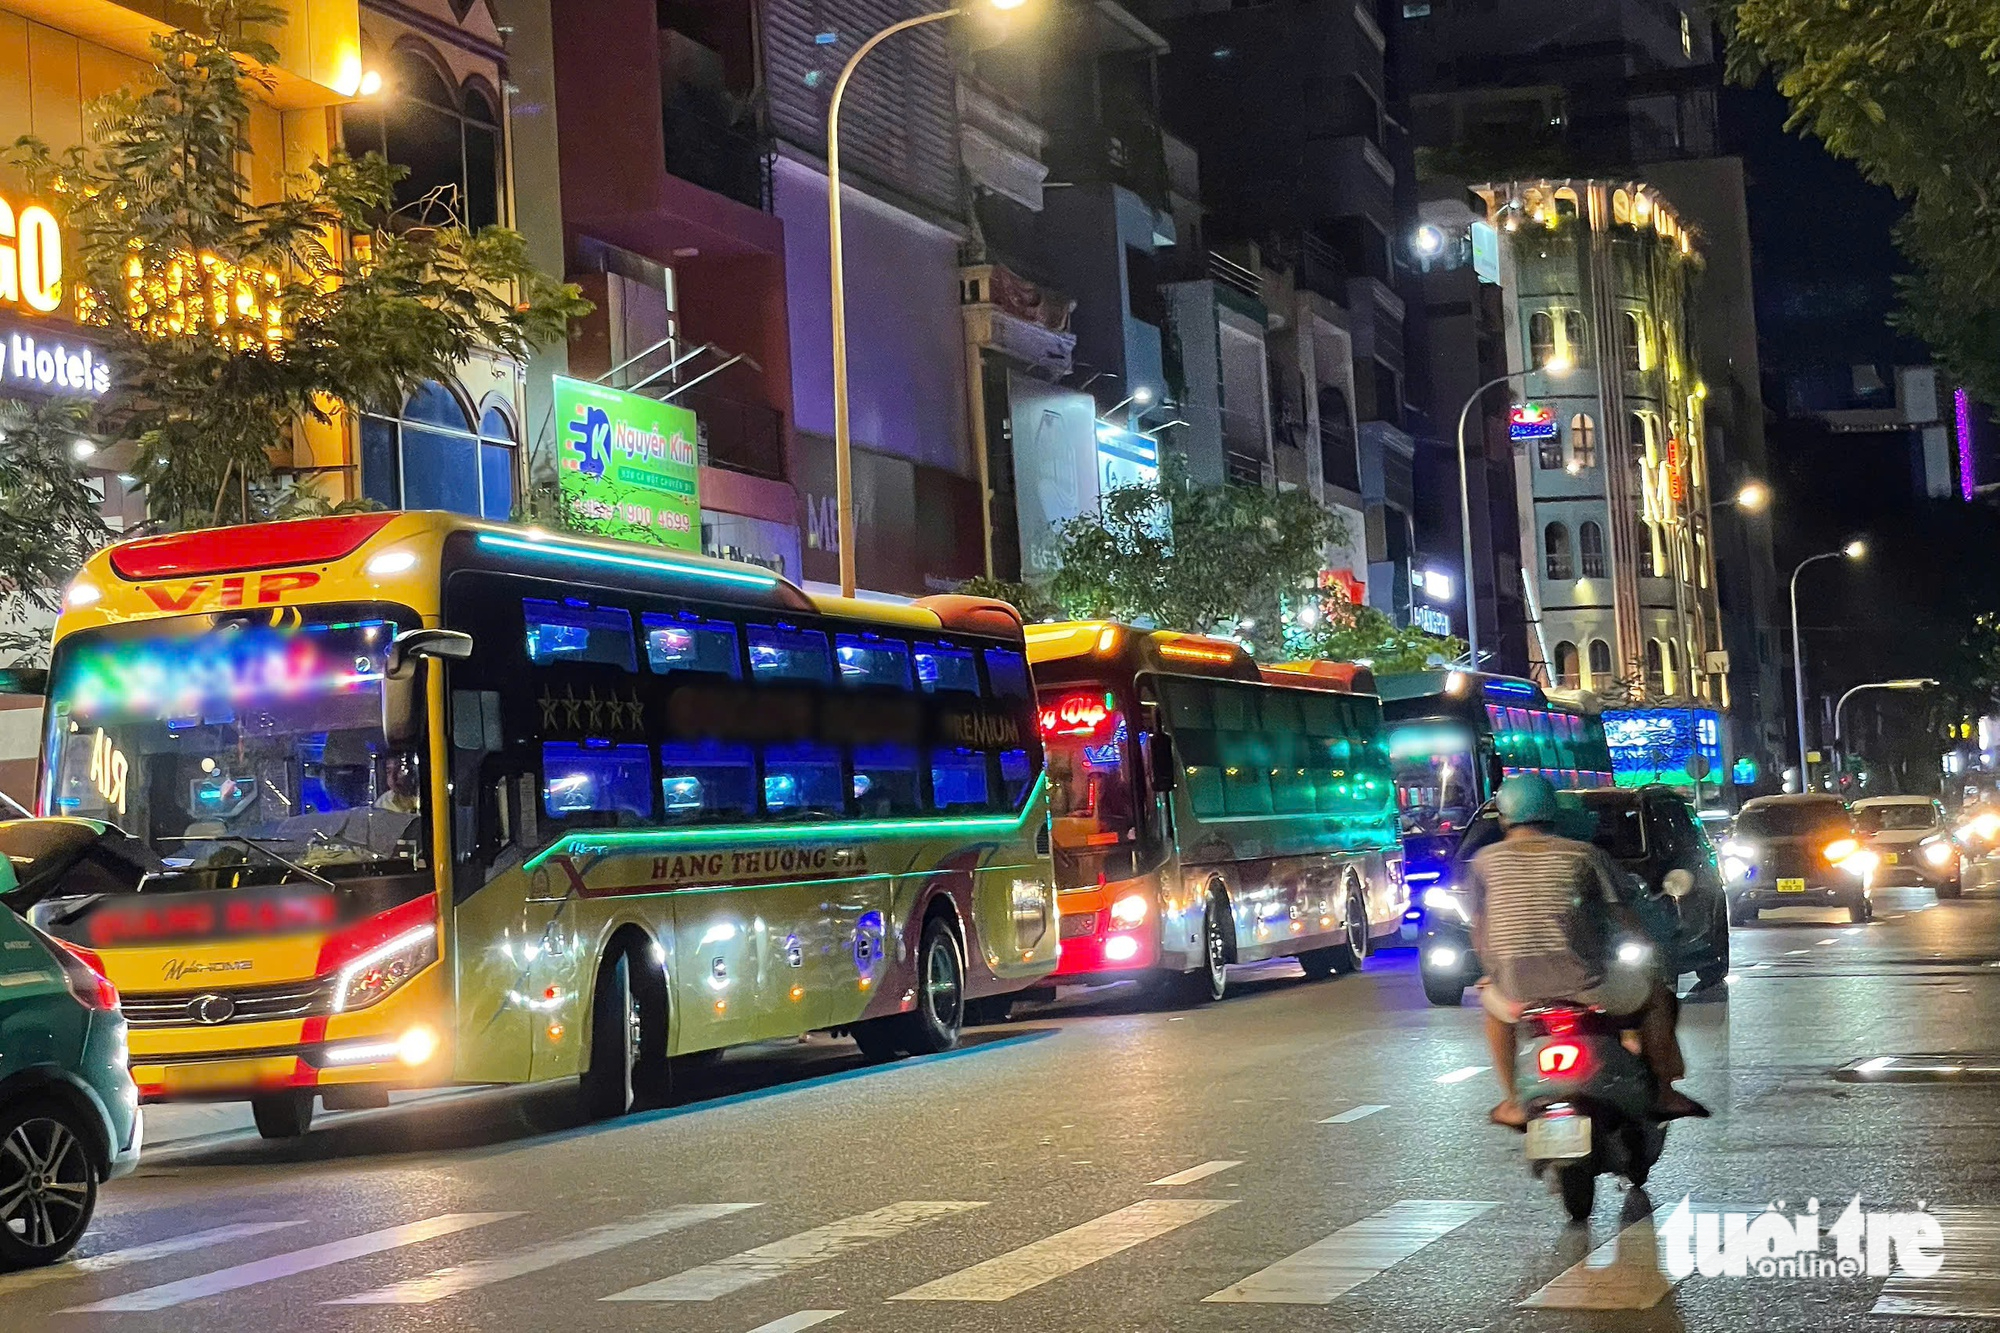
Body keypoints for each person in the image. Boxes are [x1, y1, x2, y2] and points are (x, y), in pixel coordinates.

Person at [1468, 774, 1707, 1128]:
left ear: (1503, 817)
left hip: (1517, 988)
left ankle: (1513, 1102)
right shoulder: (1584, 854)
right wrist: (1651, 949)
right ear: (1554, 813)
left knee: (1494, 1012)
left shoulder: (1483, 862)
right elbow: (1623, 914)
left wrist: (1494, 971)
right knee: (1657, 996)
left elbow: (1480, 926)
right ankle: (1664, 1091)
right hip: (1588, 983)